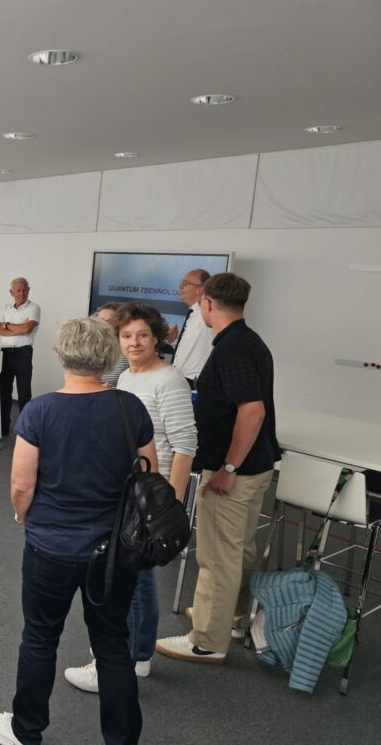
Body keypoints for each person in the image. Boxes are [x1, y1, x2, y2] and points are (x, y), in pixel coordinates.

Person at [0, 317, 155, 745]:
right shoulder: (130, 407)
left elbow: (22, 485)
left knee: (40, 638)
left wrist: (23, 517)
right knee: (112, 643)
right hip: (115, 552)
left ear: (60, 355)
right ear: (108, 356)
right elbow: (150, 479)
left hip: (51, 547)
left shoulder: (39, 411)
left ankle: (26, 730)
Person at [64, 303, 196, 692]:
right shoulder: (126, 378)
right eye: (126, 336)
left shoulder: (168, 380)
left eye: (142, 335)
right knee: (131, 577)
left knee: (133, 579)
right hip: (126, 494)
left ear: (156, 338)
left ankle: (128, 659)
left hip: (149, 498)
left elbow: (185, 445)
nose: (134, 342)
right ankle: (133, 657)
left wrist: (169, 506)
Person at [156, 273, 281, 665]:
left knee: (216, 556)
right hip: (254, 467)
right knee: (238, 549)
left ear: (207, 303)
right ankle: (232, 617)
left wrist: (228, 466)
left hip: (235, 473)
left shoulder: (232, 348)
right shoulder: (248, 341)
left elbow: (252, 411)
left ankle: (207, 640)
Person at [0, 278, 41, 437]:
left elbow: (26, 329)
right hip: (5, 353)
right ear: (11, 292)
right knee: (4, 392)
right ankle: (2, 428)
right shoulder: (6, 308)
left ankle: (26, 432)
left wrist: (7, 325)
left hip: (23, 354)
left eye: (24, 290)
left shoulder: (34, 308)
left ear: (29, 290)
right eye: (18, 290)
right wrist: (15, 327)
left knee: (24, 393)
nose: (22, 293)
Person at [167, 269, 214, 389]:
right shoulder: (192, 313)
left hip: (195, 383)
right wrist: (175, 340)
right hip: (180, 380)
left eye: (185, 283)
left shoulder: (208, 313)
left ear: (200, 289)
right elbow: (194, 346)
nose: (180, 287)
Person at [93, 303, 128, 388]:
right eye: (100, 320)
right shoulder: (88, 347)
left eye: (109, 321)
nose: (104, 324)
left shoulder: (126, 348)